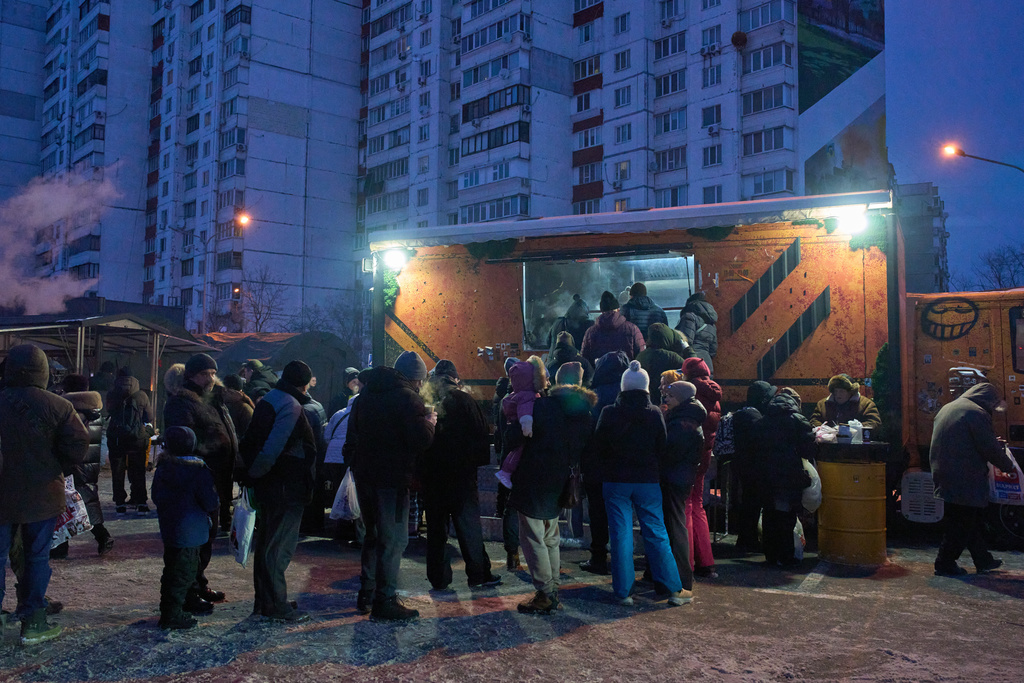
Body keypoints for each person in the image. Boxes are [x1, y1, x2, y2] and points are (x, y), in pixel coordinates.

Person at [0, 344, 89, 644]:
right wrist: (53, 467)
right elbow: (78, 447)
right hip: (42, 494)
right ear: (43, 371)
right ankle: (34, 621)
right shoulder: (59, 406)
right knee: (37, 558)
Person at [345, 351, 435, 621]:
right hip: (393, 479)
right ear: (415, 379)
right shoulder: (408, 398)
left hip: (365, 476)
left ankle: (367, 593)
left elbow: (353, 437)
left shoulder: (364, 398)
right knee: (394, 539)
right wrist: (430, 424)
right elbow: (420, 440)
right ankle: (385, 600)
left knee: (373, 535)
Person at [594, 360, 688, 606]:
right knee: (656, 532)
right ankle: (673, 590)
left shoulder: (608, 412)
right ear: (646, 388)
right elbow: (662, 446)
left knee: (620, 534)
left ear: (623, 387)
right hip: (647, 480)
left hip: (616, 481)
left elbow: (599, 446)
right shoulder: (655, 413)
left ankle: (624, 592)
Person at [508, 361, 596, 614]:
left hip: (534, 479)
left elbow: (515, 437)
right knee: (550, 536)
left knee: (534, 536)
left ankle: (545, 593)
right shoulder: (586, 412)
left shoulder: (543, 406)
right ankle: (553, 587)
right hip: (563, 480)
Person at [239, 361, 319, 622]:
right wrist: (256, 474)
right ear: (304, 383)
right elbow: (273, 449)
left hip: (271, 485)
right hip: (285, 486)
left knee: (266, 544)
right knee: (278, 547)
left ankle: (265, 600)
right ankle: (275, 604)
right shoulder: (291, 405)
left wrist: (254, 477)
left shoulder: (271, 398)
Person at [163, 353, 236, 612]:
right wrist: (212, 450)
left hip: (215, 477)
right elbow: (184, 441)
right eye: (206, 374)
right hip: (196, 479)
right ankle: (189, 593)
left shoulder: (211, 400)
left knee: (208, 535)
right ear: (192, 375)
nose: (212, 378)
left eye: (214, 373)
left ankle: (198, 582)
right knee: (197, 539)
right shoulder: (183, 403)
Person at [419, 360, 501, 590]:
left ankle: (439, 578)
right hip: (461, 476)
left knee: (436, 530)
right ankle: (478, 575)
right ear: (454, 378)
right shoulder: (464, 399)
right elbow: (481, 436)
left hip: (432, 476)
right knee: (468, 528)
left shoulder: (426, 400)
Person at [930, 383, 1014, 576]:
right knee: (961, 522)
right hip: (963, 474)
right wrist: (1008, 466)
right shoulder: (976, 412)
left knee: (968, 519)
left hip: (945, 471)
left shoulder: (951, 407)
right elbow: (988, 447)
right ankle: (944, 563)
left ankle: (983, 559)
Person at [152, 426, 220, 630]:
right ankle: (171, 614)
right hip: (191, 531)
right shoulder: (197, 470)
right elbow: (210, 501)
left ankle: (185, 602)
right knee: (183, 572)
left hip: (171, 529)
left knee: (174, 568)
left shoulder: (163, 468)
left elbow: (156, 496)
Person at [751, 391, 815, 567]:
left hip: (766, 475)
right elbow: (808, 451)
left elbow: (754, 449)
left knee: (770, 513)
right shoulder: (798, 420)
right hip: (789, 474)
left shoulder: (762, 421)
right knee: (787, 516)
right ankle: (786, 556)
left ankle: (771, 555)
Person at [579, 351, 630, 575]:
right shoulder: (630, 395)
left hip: (596, 466)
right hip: (624, 467)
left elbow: (585, 433)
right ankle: (623, 560)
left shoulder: (593, 397)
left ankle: (598, 557)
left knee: (598, 513)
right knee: (622, 513)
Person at [59, 373, 114, 556]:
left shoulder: (72, 412)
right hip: (90, 463)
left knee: (66, 503)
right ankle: (103, 536)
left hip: (74, 463)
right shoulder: (95, 410)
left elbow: (67, 438)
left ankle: (60, 546)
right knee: (87, 500)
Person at [661, 381, 706, 599]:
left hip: (674, 479)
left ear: (680, 397)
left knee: (674, 526)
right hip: (680, 478)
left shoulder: (682, 424)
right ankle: (667, 575)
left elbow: (669, 451)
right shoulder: (687, 419)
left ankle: (680, 579)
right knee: (672, 525)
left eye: (670, 395)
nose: (666, 399)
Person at [681, 357, 721, 578]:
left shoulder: (690, 391)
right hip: (705, 455)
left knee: (685, 505)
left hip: (689, 456)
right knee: (698, 505)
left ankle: (686, 563)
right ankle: (706, 562)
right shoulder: (714, 393)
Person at [731, 381, 777, 552]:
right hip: (753, 468)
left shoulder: (745, 413)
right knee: (753, 503)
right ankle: (748, 540)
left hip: (745, 466)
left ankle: (746, 538)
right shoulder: (753, 417)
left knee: (750, 502)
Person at [106, 368, 155, 515]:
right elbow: (148, 417)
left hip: (116, 437)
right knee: (138, 470)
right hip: (137, 438)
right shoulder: (142, 395)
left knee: (118, 470)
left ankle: (120, 503)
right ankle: (141, 502)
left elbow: (108, 412)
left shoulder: (112, 393)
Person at [496, 356, 548, 489]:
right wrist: (527, 428)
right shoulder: (527, 395)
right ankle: (505, 472)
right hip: (523, 438)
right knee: (518, 452)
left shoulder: (513, 395)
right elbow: (525, 415)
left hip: (511, 436)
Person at [492, 356, 521, 571]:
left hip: (507, 457)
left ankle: (512, 552)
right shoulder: (531, 401)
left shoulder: (504, 400)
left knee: (509, 508)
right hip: (523, 459)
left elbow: (501, 432)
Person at [580, 291, 646, 366]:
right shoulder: (632, 329)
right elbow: (641, 355)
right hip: (625, 376)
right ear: (618, 309)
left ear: (601, 311)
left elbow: (584, 359)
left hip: (600, 375)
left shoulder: (590, 332)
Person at [810, 373, 882, 431]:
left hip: (856, 446)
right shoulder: (822, 404)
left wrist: (850, 429)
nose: (838, 394)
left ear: (851, 392)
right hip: (829, 444)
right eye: (836, 391)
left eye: (841, 391)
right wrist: (826, 430)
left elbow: (874, 423)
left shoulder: (866, 404)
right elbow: (814, 421)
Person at [637, 323, 686, 406]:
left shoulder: (641, 356)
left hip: (646, 398)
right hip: (667, 398)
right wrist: (687, 348)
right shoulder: (672, 357)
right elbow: (693, 368)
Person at [675, 292, 719, 377]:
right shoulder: (712, 324)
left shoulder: (689, 317)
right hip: (707, 365)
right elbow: (713, 350)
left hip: (691, 364)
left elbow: (684, 341)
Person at [221, 374, 255, 440]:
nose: (223, 392)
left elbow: (251, 434)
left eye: (225, 389)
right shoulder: (225, 404)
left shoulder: (244, 409)